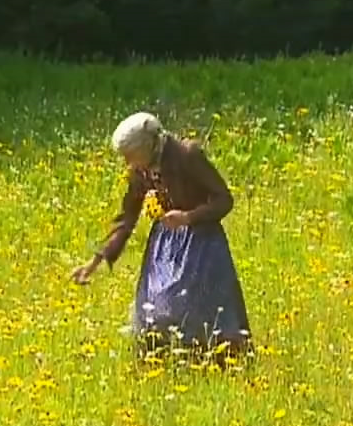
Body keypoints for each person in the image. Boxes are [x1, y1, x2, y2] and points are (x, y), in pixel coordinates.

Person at [71, 111, 252, 360]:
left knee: (203, 309)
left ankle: (216, 362)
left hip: (202, 243)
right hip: (165, 245)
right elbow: (128, 217)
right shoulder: (140, 171)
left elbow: (224, 199)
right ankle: (164, 361)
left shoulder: (188, 156)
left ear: (147, 146)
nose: (127, 164)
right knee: (156, 307)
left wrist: (188, 217)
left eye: (129, 156)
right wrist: (97, 259)